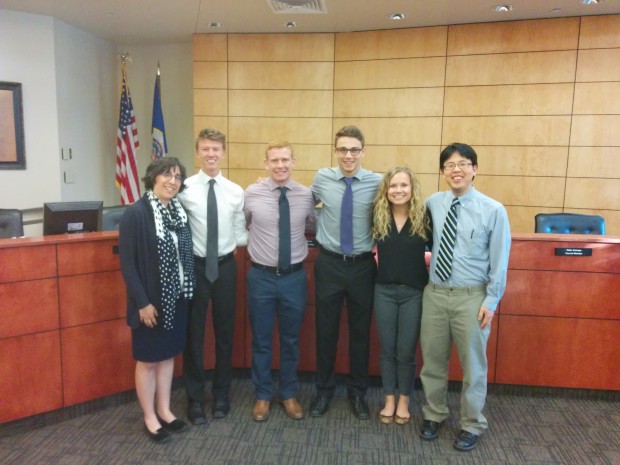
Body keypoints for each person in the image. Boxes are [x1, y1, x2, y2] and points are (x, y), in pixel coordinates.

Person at [419, 143, 511, 451]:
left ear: (474, 169)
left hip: (471, 297)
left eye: (463, 164)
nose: (456, 169)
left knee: (474, 366)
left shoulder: (493, 210)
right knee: (432, 361)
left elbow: (500, 260)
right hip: (434, 294)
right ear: (443, 171)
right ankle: (434, 414)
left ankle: (472, 423)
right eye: (449, 165)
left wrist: (491, 301)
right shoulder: (433, 202)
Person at [119, 157, 195, 443]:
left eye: (177, 177)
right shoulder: (136, 214)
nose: (172, 181)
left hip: (176, 299)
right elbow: (128, 264)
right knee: (148, 360)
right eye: (166, 175)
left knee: (167, 356)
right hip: (149, 303)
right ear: (152, 178)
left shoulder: (178, 211)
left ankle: (164, 409)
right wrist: (142, 302)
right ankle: (149, 416)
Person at [309, 126, 382, 420]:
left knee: (360, 334)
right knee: (325, 333)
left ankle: (357, 393)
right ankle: (324, 392)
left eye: (354, 149)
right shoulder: (321, 178)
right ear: (335, 151)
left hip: (363, 266)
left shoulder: (378, 182)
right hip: (329, 264)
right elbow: (304, 202)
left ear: (363, 151)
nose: (348, 155)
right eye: (342, 149)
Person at [177, 128, 248, 424]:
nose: (211, 154)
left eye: (216, 149)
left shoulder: (235, 190)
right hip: (195, 266)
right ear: (197, 153)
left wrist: (231, 247)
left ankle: (221, 394)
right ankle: (194, 397)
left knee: (224, 333)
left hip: (225, 267)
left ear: (223, 152)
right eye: (205, 149)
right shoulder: (183, 188)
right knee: (193, 334)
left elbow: (240, 232)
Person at [244, 141, 316, 422]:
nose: (280, 165)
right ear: (266, 164)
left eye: (285, 159)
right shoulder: (250, 194)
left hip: (294, 278)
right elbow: (243, 223)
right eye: (274, 160)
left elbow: (311, 226)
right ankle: (262, 395)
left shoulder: (306, 195)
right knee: (261, 340)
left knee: (290, 340)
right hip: (260, 276)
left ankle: (288, 393)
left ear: (294, 161)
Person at [372, 167, 431, 425]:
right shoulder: (377, 216)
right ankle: (389, 400)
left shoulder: (425, 218)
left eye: (403, 185)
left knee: (406, 351)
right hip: (383, 291)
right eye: (393, 186)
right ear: (386, 189)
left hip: (414, 293)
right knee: (387, 349)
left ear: (412, 188)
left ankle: (404, 400)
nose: (398, 190)